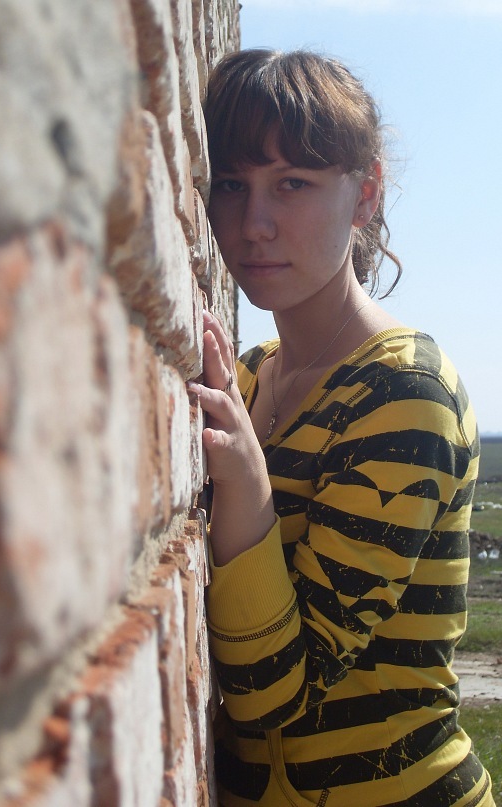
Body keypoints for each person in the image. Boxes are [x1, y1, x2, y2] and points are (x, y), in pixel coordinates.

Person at [190, 48, 494, 806]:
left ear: (365, 195)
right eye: (232, 184)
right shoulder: (250, 375)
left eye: (292, 183)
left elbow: (272, 697)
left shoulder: (404, 391)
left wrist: (247, 485)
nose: (254, 224)